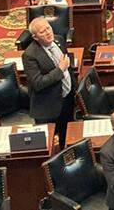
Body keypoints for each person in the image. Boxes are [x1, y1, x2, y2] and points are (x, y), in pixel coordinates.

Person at [23, 17, 76, 148]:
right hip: (47, 106)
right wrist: (60, 69)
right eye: (42, 32)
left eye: (48, 28)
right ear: (35, 37)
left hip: (67, 98)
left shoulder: (59, 40)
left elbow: (68, 65)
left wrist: (74, 87)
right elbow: (38, 83)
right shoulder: (29, 55)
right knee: (47, 144)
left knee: (67, 135)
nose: (48, 32)